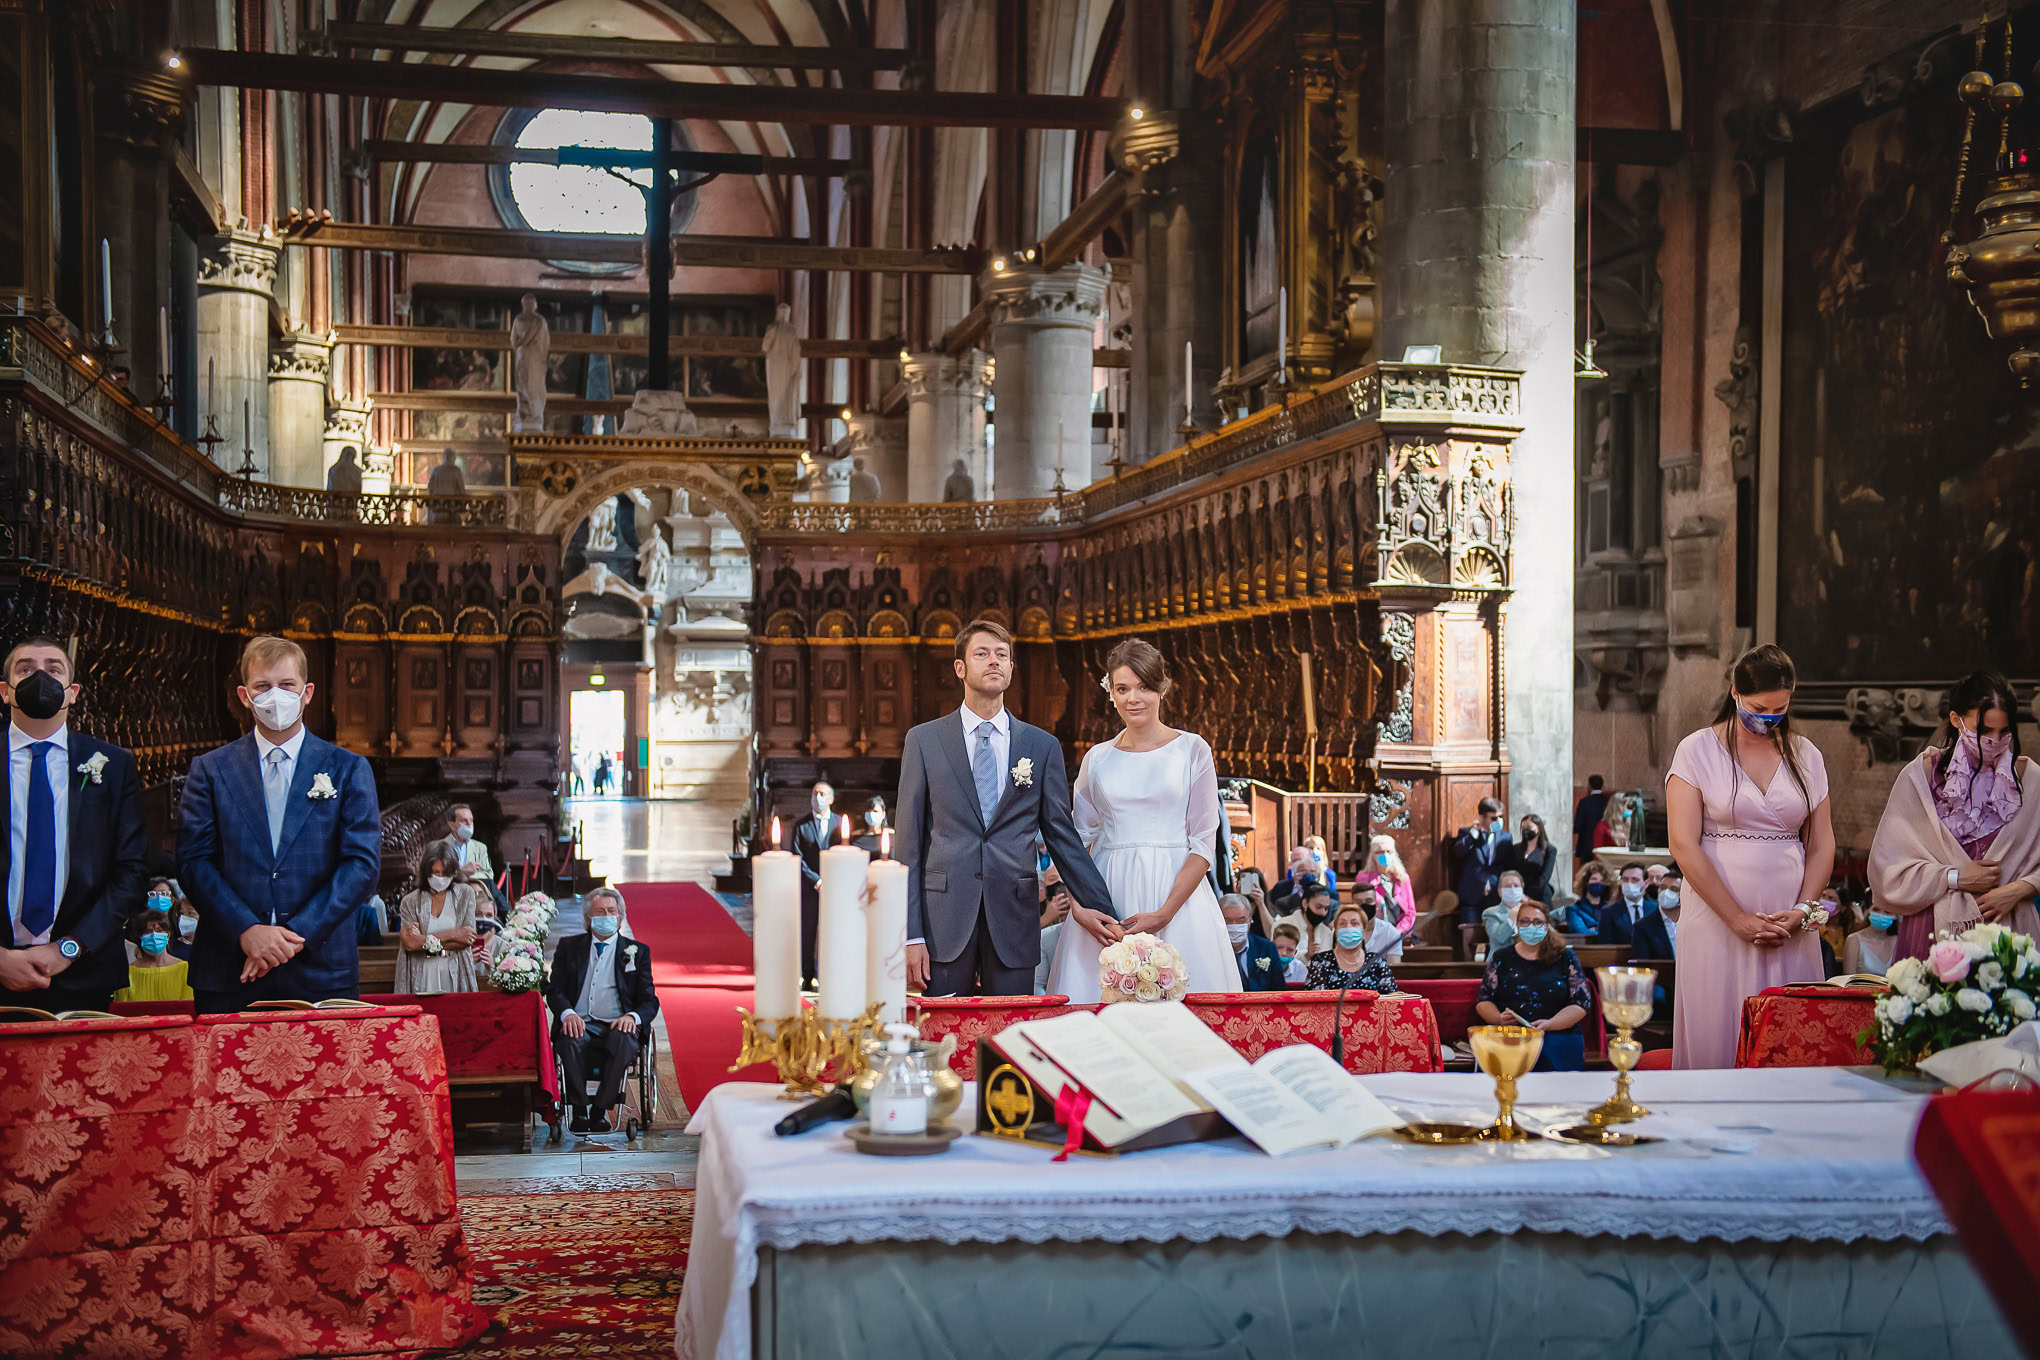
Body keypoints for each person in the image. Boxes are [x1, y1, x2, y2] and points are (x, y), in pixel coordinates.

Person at [899, 620, 1117, 997]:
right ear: (960, 668)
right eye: (982, 653)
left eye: (1002, 655)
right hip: (944, 920)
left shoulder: (1041, 745)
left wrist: (1103, 908)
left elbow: (1062, 837)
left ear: (1012, 668)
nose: (994, 661)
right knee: (947, 1036)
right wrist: (910, 933)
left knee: (1010, 1036)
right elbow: (908, 845)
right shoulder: (924, 741)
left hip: (1014, 918)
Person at [179, 636, 381, 1013]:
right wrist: (248, 931)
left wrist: (293, 937)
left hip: (320, 969)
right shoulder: (210, 770)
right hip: (230, 967)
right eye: (263, 686)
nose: (276, 696)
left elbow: (362, 866)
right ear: (245, 695)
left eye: (286, 685)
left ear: (307, 693)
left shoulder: (347, 768)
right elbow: (194, 862)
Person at [1666, 643, 1834, 1069]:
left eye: (1780, 709)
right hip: (1716, 919)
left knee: (1790, 1035)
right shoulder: (1696, 750)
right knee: (1719, 1030)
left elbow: (1821, 843)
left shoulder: (1806, 755)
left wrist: (1803, 909)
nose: (1769, 718)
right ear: (1735, 694)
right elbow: (1683, 844)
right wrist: (1737, 919)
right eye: (1760, 707)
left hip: (1789, 922)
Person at [1046, 638, 1231, 998]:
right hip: (1107, 890)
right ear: (1111, 694)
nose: (1134, 698)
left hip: (1177, 894)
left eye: (1144, 686)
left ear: (1162, 688)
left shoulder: (1192, 749)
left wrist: (1164, 914)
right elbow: (1076, 843)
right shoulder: (1097, 759)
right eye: (1123, 688)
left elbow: (1203, 843)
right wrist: (1081, 908)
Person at [2, 635, 147, 1014]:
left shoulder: (113, 765)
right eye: (25, 669)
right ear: (5, 691)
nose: (40, 677)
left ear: (72, 692)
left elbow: (130, 871)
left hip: (83, 970)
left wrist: (70, 947)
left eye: (53, 670)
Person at [1868, 668, 2040, 958]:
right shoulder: (1920, 778)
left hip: (2008, 930)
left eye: (2004, 731)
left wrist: (2020, 888)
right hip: (1932, 931)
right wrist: (1955, 877)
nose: (1994, 741)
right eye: (1984, 731)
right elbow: (1887, 873)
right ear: (1956, 720)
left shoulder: (2031, 780)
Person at [546, 888, 659, 1134]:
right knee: (569, 1041)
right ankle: (578, 1109)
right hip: (581, 1022)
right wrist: (568, 1013)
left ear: (620, 917)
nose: (607, 916)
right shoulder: (569, 947)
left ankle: (599, 1110)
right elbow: (554, 989)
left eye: (611, 911)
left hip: (618, 1023)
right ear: (589, 918)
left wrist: (633, 1016)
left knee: (625, 1043)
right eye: (600, 912)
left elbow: (650, 1001)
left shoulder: (637, 952)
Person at [1474, 901, 1592, 1071]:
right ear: (1518, 925)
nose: (1531, 925)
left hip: (1557, 1032)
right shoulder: (1502, 956)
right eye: (1525, 921)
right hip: (1512, 1033)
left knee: (1547, 1055)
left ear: (1546, 926)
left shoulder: (1565, 956)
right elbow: (1484, 1000)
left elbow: (1581, 1003)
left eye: (1537, 922)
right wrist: (1498, 1019)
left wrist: (1551, 1023)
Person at [395, 839, 479, 996]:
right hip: (423, 971)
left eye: (445, 873)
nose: (440, 877)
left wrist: (423, 939)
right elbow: (411, 944)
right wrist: (453, 934)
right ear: (427, 871)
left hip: (456, 969)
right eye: (436, 872)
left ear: (453, 872)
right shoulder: (411, 901)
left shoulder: (465, 894)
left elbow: (467, 938)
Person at [792, 780, 836, 988]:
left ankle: (829, 975)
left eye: (822, 794)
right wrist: (816, 880)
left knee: (831, 933)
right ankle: (808, 975)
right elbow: (797, 857)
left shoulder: (838, 824)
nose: (818, 797)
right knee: (808, 933)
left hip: (834, 889)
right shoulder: (801, 825)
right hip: (810, 888)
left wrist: (831, 880)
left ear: (831, 799)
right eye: (814, 793)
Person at [1303, 901, 1399, 993]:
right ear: (1336, 932)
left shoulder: (1377, 961)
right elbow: (1313, 999)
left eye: (1354, 923)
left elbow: (1389, 998)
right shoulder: (1320, 961)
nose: (1348, 927)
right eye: (1342, 923)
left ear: (1363, 932)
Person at [113, 906, 192, 1003]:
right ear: (139, 937)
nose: (154, 935)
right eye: (147, 931)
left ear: (168, 934)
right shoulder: (128, 973)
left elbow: (187, 1007)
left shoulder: (184, 969)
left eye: (159, 930)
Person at [1451, 797, 1513, 921]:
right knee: (1470, 936)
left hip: (1496, 896)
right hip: (1472, 896)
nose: (1499, 821)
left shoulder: (1506, 837)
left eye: (1501, 817)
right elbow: (1459, 852)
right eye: (1494, 818)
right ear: (1482, 817)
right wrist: (1473, 834)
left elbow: (1508, 865)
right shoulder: (1467, 833)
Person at [1353, 834, 1416, 935]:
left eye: (1389, 851)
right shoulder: (1363, 878)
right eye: (1380, 852)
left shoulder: (1402, 878)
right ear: (1373, 855)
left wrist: (1397, 932)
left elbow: (1410, 912)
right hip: (1374, 933)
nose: (1385, 855)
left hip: (1399, 935)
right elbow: (1360, 910)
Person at [1224, 892, 1286, 991]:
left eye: (1241, 921)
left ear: (1250, 920)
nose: (1235, 926)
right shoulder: (1210, 952)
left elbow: (1279, 990)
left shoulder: (1267, 948)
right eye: (1228, 921)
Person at [1593, 865, 1652, 946]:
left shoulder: (1655, 908)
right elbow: (1606, 945)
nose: (1629, 883)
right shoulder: (1609, 912)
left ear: (1646, 884)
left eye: (1635, 879)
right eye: (1625, 879)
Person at [1629, 871, 1680, 961]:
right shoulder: (1642, 927)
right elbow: (1643, 964)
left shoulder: (1692, 923)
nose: (1666, 892)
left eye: (1674, 889)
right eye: (1663, 888)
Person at [1841, 899, 1898, 976]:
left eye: (1887, 912)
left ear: (1895, 916)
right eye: (1876, 909)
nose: (1881, 914)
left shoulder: (1897, 942)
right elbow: (1847, 979)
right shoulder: (1854, 940)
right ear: (1868, 911)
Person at [1482, 869, 1535, 952]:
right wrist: (1512, 916)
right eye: (1508, 886)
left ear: (1522, 890)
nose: (1512, 889)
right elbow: (1499, 939)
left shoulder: (1532, 911)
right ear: (1500, 891)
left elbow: (1547, 933)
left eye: (1516, 886)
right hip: (1501, 960)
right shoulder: (1491, 913)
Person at [1512, 813, 1557, 905]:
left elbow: (1545, 876)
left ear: (1538, 827)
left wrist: (1528, 896)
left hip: (1540, 894)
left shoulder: (1549, 849)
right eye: (1523, 827)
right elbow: (1512, 871)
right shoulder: (1516, 848)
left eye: (1529, 827)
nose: (1525, 830)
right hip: (1520, 894)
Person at [1564, 860, 1611, 935]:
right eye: (1594, 879)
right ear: (1585, 882)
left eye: (1602, 880)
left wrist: (1595, 929)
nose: (1598, 883)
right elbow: (1581, 932)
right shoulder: (1574, 909)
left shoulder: (1611, 909)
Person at [1573, 774, 1608, 864]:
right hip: (1604, 844)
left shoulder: (1584, 802)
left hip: (1587, 845)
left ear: (1589, 785)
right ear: (1602, 786)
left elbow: (1578, 825)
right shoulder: (1607, 802)